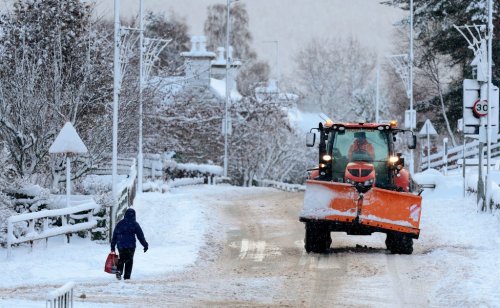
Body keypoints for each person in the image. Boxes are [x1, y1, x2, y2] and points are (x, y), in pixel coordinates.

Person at [111, 208, 148, 280]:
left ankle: (119, 271)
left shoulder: (120, 223)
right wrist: (145, 245)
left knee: (121, 258)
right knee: (129, 260)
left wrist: (113, 246)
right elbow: (140, 236)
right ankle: (127, 276)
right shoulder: (135, 224)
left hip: (120, 245)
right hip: (131, 246)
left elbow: (115, 235)